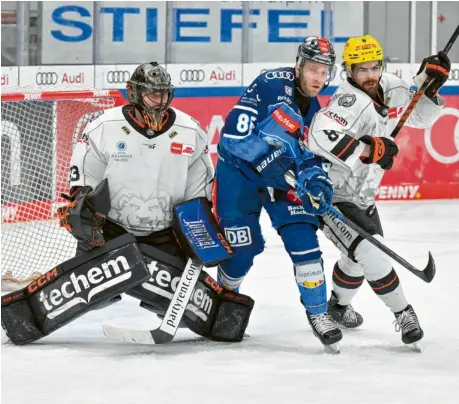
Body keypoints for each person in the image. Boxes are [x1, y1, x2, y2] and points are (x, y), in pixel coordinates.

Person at [2, 63, 254, 345]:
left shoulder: (189, 130)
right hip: (112, 232)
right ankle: (92, 293)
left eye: (164, 94)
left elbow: (199, 195)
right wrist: (82, 210)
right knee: (97, 297)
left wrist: (201, 231)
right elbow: (82, 182)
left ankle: (150, 291)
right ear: (134, 93)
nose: (160, 101)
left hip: (164, 234)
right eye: (152, 95)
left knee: (172, 308)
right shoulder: (103, 127)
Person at [307, 35, 449, 346]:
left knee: (356, 259)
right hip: (334, 197)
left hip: (364, 197)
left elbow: (421, 117)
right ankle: (404, 313)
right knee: (371, 252)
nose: (370, 76)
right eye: (361, 70)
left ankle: (338, 307)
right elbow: (318, 136)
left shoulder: (391, 86)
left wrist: (430, 85)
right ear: (348, 71)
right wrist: (367, 151)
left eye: (374, 68)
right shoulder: (348, 101)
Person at [214, 37, 342, 349]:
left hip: (278, 181)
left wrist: (312, 179)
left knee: (304, 241)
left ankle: (319, 313)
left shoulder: (314, 107)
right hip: (239, 175)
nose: (318, 78)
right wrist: (270, 160)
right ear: (299, 65)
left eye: (324, 72)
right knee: (240, 252)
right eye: (313, 69)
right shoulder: (269, 84)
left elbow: (309, 156)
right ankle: (224, 301)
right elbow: (232, 139)